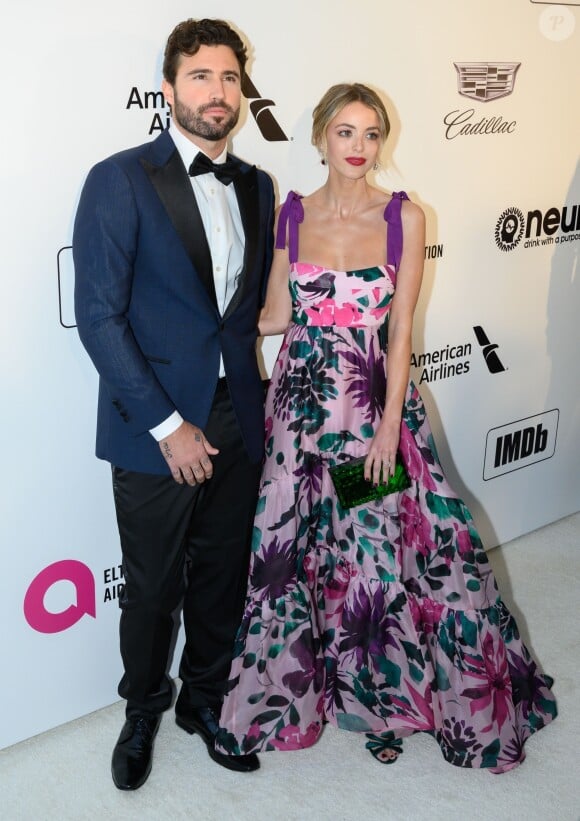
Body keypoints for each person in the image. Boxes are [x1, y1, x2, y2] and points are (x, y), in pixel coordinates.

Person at [216, 83, 557, 772]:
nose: (359, 147)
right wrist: (197, 315)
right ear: (319, 137)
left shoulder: (405, 217)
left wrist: (386, 429)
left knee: (373, 551)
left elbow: (400, 332)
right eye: (345, 132)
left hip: (368, 410)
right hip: (300, 413)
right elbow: (277, 314)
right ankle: (299, 693)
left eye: (371, 133)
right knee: (298, 547)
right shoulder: (291, 215)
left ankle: (383, 701)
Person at [73, 18, 274, 789]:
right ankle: (143, 710)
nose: (216, 93)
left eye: (228, 78)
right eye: (199, 77)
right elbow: (99, 315)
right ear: (168, 88)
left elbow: (243, 310)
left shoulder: (258, 184)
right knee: (152, 585)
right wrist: (169, 425)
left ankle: (206, 701)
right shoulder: (120, 177)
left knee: (223, 572)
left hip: (237, 416)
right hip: (157, 426)